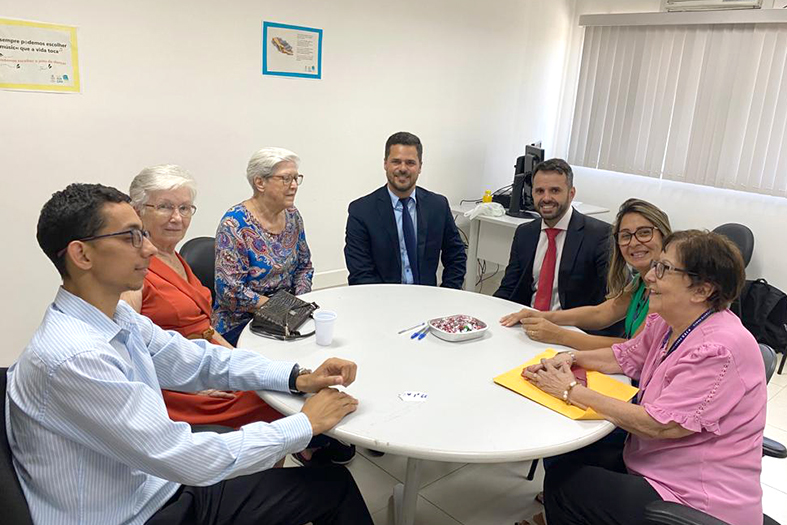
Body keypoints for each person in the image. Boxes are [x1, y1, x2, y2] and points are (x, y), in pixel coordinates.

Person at [7, 183, 373, 525]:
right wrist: (305, 424)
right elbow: (186, 459)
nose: (148, 249)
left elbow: (196, 359)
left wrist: (295, 375)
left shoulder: (113, 316)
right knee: (334, 487)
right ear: (81, 254)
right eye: (131, 237)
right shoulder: (76, 357)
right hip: (134, 512)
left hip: (148, 483)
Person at [521, 230, 766, 525]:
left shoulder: (719, 350)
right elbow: (624, 356)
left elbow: (660, 425)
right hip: (655, 460)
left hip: (695, 497)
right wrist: (569, 358)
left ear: (702, 290)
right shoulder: (670, 320)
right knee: (566, 454)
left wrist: (570, 390)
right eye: (655, 266)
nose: (650, 276)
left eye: (663, 269)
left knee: (565, 488)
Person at [120, 165, 282, 428]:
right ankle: (276, 465)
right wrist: (191, 385)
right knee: (274, 402)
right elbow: (126, 348)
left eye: (184, 208)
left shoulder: (172, 257)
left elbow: (204, 328)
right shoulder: (133, 269)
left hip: (204, 363)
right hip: (176, 389)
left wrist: (241, 360)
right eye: (165, 207)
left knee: (274, 380)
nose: (177, 217)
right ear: (138, 210)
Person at [500, 198, 672, 349]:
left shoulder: (668, 289)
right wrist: (540, 315)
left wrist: (559, 335)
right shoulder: (640, 282)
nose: (634, 243)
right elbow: (601, 314)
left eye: (644, 233)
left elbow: (635, 348)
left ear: (664, 236)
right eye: (626, 236)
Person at [494, 159, 612, 329]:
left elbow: (609, 305)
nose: (546, 198)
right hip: (526, 326)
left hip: (571, 331)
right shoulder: (525, 233)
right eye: (539, 191)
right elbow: (509, 288)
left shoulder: (600, 236)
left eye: (555, 190)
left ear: (571, 194)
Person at [214, 147, 313, 346]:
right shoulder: (235, 224)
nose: (294, 185)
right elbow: (230, 292)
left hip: (288, 314)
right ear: (260, 182)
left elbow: (304, 266)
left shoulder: (292, 215)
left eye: (296, 178)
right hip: (242, 322)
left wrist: (299, 303)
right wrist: (280, 309)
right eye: (286, 179)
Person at [344, 131, 467, 288]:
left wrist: (447, 294)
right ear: (385, 164)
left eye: (410, 163)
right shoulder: (361, 211)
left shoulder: (438, 206)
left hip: (428, 300)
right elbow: (360, 272)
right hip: (380, 302)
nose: (403, 168)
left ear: (420, 166)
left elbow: (456, 256)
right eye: (396, 161)